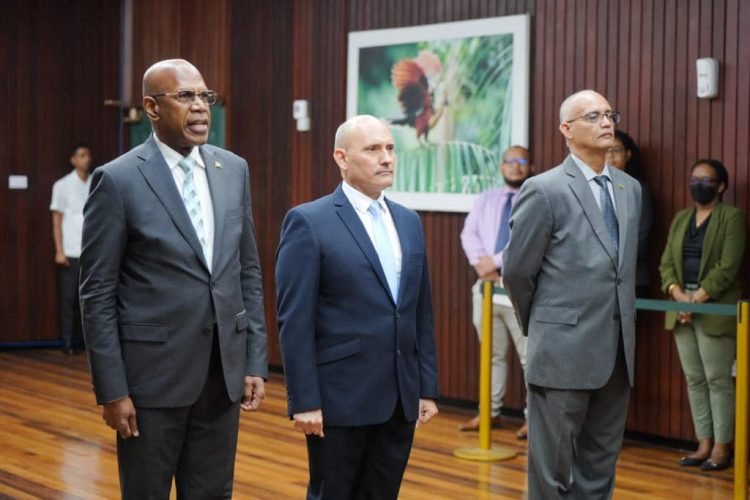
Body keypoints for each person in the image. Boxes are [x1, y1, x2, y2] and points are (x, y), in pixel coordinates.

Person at [79, 59, 268, 499]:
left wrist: (255, 357)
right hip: (151, 383)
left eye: (205, 96)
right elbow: (98, 294)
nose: (200, 107)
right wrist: (112, 389)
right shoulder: (118, 180)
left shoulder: (233, 169)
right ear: (151, 107)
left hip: (222, 377)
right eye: (185, 97)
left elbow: (247, 270)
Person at [276, 114, 439, 499]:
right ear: (342, 158)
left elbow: (420, 312)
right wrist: (305, 400)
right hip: (338, 398)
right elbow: (294, 319)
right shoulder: (309, 222)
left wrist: (426, 388)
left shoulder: (408, 221)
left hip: (400, 397)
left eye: (390, 148)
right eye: (372, 149)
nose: (386, 158)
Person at [504, 90, 641, 498]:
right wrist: (545, 324)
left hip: (617, 351)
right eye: (593, 116)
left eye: (609, 114)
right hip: (562, 349)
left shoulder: (629, 188)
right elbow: (516, 271)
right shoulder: (544, 189)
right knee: (552, 471)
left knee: (600, 465)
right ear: (566, 129)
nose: (606, 123)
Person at [659, 159, 746, 472]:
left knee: (718, 380)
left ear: (721, 186)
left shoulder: (732, 218)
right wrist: (679, 294)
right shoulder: (682, 218)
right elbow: (666, 262)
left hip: (713, 310)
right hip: (682, 308)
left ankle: (722, 447)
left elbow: (728, 267)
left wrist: (697, 299)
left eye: (706, 180)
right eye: (694, 178)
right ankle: (703, 443)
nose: (699, 184)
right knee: (695, 379)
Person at [459, 145, 531, 438]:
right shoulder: (486, 199)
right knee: (491, 355)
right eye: (510, 161)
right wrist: (482, 265)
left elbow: (527, 240)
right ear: (502, 167)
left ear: (530, 167)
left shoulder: (534, 199)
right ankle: (490, 414)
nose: (516, 166)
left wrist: (497, 261)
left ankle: (534, 419)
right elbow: (469, 233)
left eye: (522, 161)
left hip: (518, 290)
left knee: (530, 357)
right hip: (487, 287)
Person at [50, 144, 92, 354]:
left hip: (90, 252)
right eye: (81, 155)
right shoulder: (62, 185)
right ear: (73, 160)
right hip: (70, 251)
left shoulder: (96, 181)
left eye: (88, 155)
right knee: (69, 300)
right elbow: (56, 221)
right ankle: (67, 342)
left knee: (90, 300)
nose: (86, 159)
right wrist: (59, 250)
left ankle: (86, 343)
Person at [606, 130, 653, 297]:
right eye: (606, 150)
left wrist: (613, 264)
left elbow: (641, 235)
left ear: (628, 154)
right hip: (595, 277)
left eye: (616, 150)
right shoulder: (593, 187)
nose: (610, 156)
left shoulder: (638, 189)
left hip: (630, 276)